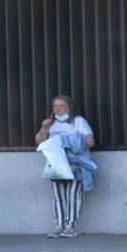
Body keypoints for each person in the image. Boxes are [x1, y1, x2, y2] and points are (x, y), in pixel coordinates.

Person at [34, 95, 97, 239]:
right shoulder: (51, 124)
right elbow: (39, 141)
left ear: (69, 107)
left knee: (73, 195)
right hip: (56, 164)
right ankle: (59, 225)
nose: (58, 108)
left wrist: (70, 143)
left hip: (75, 164)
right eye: (55, 106)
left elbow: (90, 141)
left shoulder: (78, 121)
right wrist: (44, 127)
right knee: (58, 196)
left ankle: (70, 226)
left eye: (61, 105)